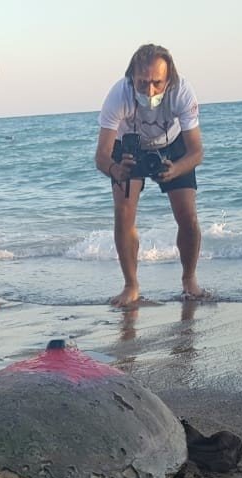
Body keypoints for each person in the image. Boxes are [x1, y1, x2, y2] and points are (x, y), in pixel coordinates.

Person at [95, 43, 208, 309]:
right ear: (131, 78)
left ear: (169, 79)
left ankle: (189, 280)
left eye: (157, 82)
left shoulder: (182, 92)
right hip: (129, 146)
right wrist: (115, 169)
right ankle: (131, 285)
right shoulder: (118, 95)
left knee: (188, 216)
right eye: (142, 82)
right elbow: (101, 155)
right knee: (123, 213)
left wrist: (176, 169)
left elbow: (197, 151)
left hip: (172, 145)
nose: (150, 90)